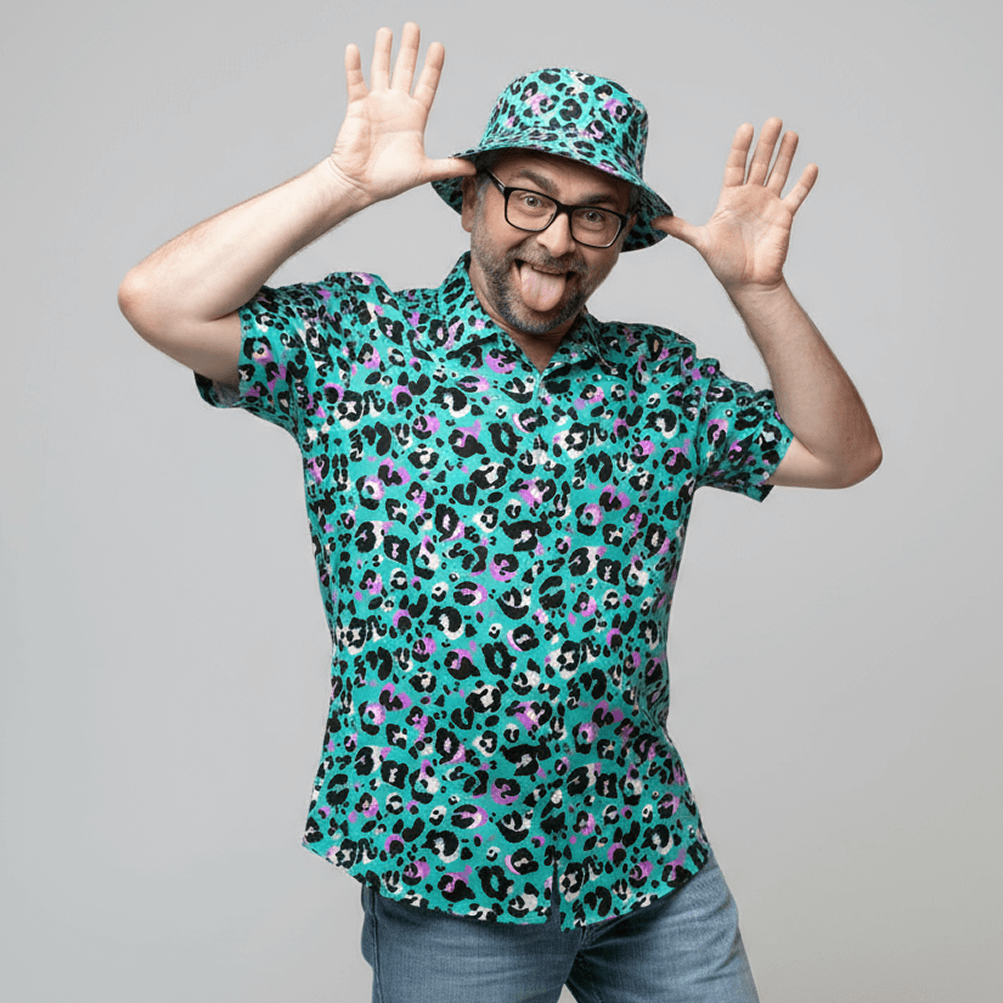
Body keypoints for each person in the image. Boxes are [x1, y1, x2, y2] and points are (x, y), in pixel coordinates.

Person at [118, 22, 881, 1003]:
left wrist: (758, 288)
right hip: (452, 865)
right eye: (528, 198)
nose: (557, 239)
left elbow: (839, 453)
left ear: (623, 238)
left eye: (595, 215)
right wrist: (343, 184)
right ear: (470, 199)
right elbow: (159, 303)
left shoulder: (655, 376)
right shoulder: (363, 344)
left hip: (641, 850)